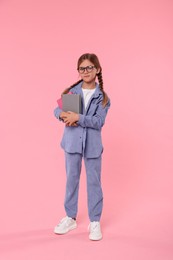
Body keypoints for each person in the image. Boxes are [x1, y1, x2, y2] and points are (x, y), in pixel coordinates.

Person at [53, 53, 110, 241]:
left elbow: (98, 121)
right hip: (72, 143)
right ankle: (70, 217)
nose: (85, 71)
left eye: (89, 68)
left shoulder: (103, 98)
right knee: (71, 181)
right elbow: (56, 110)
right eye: (82, 68)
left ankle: (95, 221)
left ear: (97, 69)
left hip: (92, 146)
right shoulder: (72, 91)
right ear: (78, 71)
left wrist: (78, 117)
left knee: (94, 183)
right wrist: (64, 116)